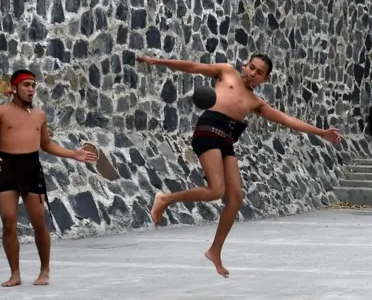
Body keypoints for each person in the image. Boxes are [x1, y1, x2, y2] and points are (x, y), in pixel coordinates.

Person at [136, 53, 342, 278]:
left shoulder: (256, 103)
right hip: (208, 128)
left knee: (235, 198)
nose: (252, 74)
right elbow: (193, 66)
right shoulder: (226, 72)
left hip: (226, 139)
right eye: (251, 67)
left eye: (259, 73)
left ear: (266, 79)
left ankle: (215, 250)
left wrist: (322, 133)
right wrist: (158, 61)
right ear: (245, 65)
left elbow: (286, 120)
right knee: (216, 190)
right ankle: (164, 199)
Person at [0, 69, 98, 287]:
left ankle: (44, 270)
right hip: (6, 168)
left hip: (31, 168)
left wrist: (73, 154)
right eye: (26, 85)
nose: (31, 89)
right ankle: (15, 274)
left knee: (38, 222)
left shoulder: (40, 115)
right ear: (14, 88)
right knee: (8, 222)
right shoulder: (0, 111)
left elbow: (46, 145)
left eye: (33, 85)